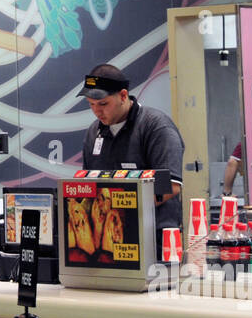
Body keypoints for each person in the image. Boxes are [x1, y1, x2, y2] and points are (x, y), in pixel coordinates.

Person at [79, 64, 185, 228]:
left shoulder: (156, 127)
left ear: (123, 95)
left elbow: (171, 186)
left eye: (103, 104)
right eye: (91, 104)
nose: (96, 111)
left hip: (154, 237)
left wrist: (118, 209)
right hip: (109, 236)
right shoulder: (94, 131)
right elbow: (88, 184)